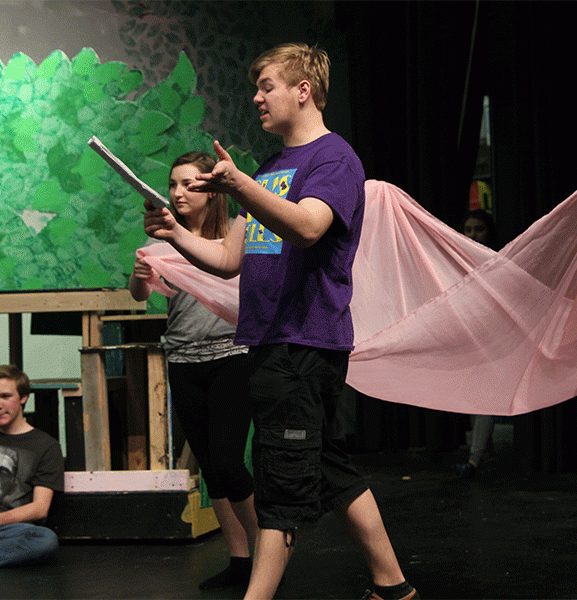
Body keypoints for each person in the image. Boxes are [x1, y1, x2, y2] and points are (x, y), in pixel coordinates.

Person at [142, 43, 416, 600]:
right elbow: (229, 260)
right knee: (328, 468)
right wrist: (175, 235)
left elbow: (310, 227)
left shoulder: (333, 159)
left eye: (266, 85)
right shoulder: (270, 169)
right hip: (269, 342)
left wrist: (242, 186)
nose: (257, 96)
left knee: (282, 483)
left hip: (304, 343)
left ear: (303, 90)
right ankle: (394, 587)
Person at [129, 151, 257, 591]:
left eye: (188, 184)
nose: (177, 192)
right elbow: (138, 295)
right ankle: (240, 559)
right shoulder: (165, 242)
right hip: (183, 360)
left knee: (228, 460)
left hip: (231, 357)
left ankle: (270, 549)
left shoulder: (235, 233)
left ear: (210, 189)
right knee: (211, 468)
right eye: (172, 184)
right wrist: (139, 274)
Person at [0, 365, 64, 569]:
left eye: (5, 396)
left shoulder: (46, 446)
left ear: (23, 397)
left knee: (44, 539)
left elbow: (40, 509)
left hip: (8, 529)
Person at [454, 209, 500, 477]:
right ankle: (487, 454)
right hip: (468, 334)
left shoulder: (495, 261)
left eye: (478, 229)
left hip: (490, 336)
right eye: (468, 230)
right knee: (473, 397)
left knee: (483, 398)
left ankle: (473, 461)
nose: (473, 235)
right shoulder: (458, 259)